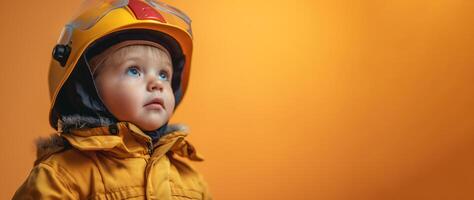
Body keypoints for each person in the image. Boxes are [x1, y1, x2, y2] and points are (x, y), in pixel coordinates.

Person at [13, 0, 211, 199]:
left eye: (163, 75)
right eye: (134, 70)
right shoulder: (62, 177)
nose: (156, 84)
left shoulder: (191, 181)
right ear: (87, 88)